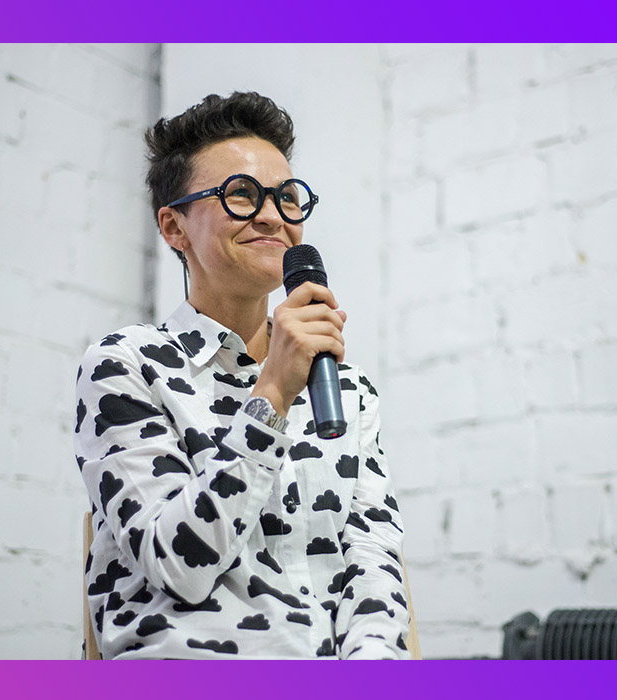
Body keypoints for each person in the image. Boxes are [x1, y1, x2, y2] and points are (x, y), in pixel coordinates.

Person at [74, 92, 410, 659]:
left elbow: (374, 565)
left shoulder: (347, 390)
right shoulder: (127, 365)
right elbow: (178, 565)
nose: (274, 216)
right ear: (174, 227)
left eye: (287, 197)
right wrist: (273, 392)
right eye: (241, 195)